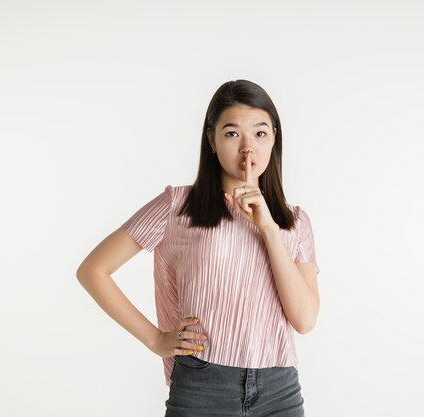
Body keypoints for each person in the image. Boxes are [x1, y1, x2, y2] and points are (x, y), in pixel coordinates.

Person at [76, 79, 319, 417]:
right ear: (212, 140)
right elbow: (93, 270)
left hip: (279, 391)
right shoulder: (178, 206)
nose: (248, 150)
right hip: (203, 384)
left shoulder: (294, 222)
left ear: (274, 137)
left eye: (260, 133)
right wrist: (155, 339)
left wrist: (267, 228)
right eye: (232, 133)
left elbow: (305, 320)